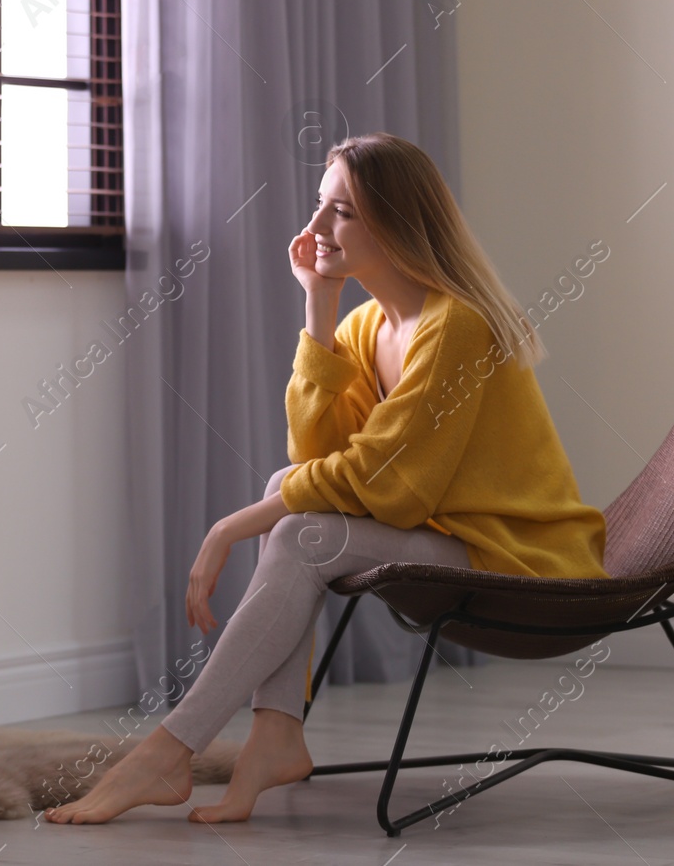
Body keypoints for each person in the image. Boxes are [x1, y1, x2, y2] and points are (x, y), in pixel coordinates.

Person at [44, 132, 609, 825]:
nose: (314, 229)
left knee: (295, 526)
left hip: (515, 554)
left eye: (341, 211)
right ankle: (275, 734)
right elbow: (316, 452)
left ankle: (172, 747)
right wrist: (320, 306)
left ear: (398, 222)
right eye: (320, 205)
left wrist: (231, 526)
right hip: (443, 532)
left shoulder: (456, 325)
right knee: (291, 497)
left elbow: (391, 486)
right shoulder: (369, 323)